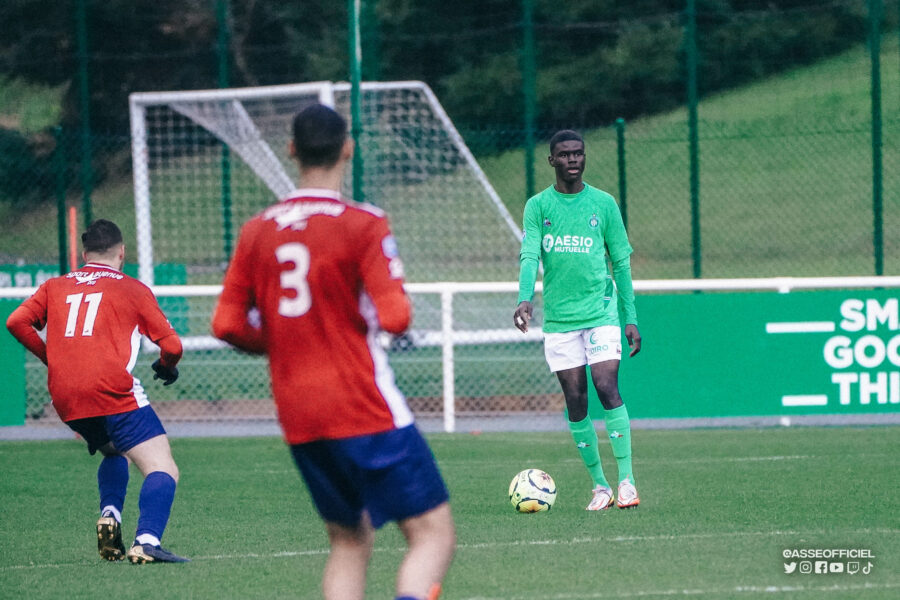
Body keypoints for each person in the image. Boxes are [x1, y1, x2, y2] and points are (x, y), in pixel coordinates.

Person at [211, 103, 455, 600]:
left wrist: (282, 338)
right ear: (349, 147)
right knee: (431, 533)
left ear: (292, 149)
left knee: (348, 541)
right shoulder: (363, 223)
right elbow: (396, 317)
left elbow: (226, 324)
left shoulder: (258, 229)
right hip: (361, 403)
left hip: (298, 413)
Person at [5, 219, 189, 563]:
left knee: (113, 451)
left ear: (84, 253)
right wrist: (166, 366)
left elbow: (15, 321)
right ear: (122, 252)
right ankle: (147, 541)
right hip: (111, 390)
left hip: (66, 395)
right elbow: (173, 345)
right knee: (162, 467)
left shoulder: (55, 286)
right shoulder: (131, 288)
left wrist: (54, 360)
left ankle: (111, 515)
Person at [514, 129, 642, 511]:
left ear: (584, 158)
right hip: (560, 320)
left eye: (578, 154)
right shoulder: (538, 206)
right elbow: (529, 256)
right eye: (565, 155)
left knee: (606, 385)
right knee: (576, 399)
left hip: (601, 313)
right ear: (552, 160)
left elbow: (620, 262)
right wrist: (524, 298)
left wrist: (630, 316)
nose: (573, 160)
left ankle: (627, 481)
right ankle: (600, 486)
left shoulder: (603, 204)